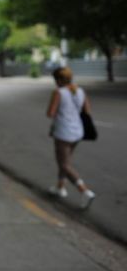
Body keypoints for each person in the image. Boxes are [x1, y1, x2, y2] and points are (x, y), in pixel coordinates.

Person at [46, 66, 95, 209]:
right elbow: (87, 111)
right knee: (65, 162)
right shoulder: (80, 91)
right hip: (77, 132)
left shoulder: (58, 92)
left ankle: (85, 191)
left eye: (55, 79)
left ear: (59, 80)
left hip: (63, 133)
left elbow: (50, 113)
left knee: (63, 164)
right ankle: (60, 188)